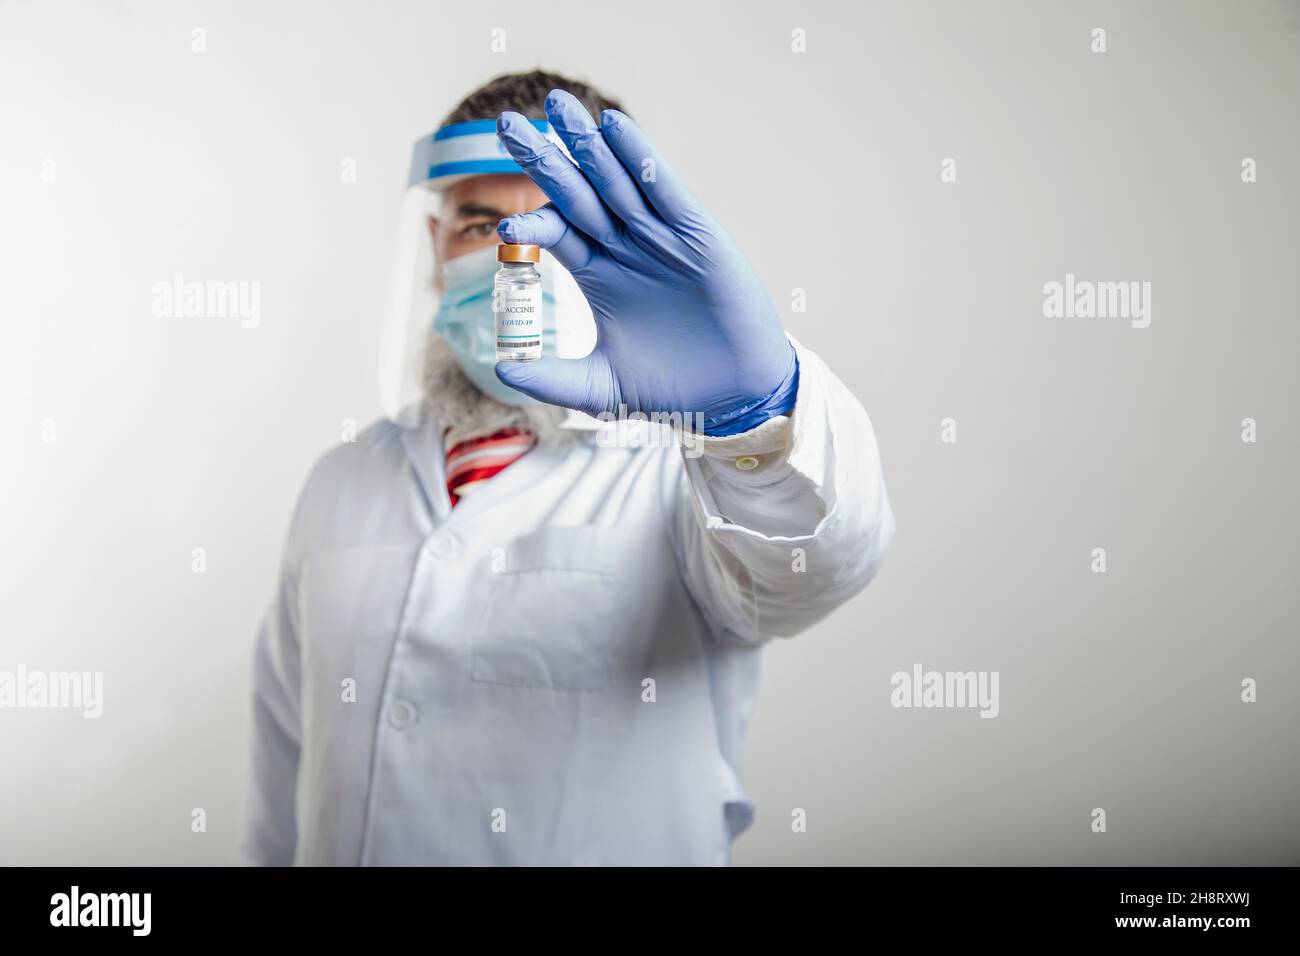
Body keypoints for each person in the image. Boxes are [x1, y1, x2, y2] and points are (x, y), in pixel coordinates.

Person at [240, 70, 895, 866]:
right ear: (435, 242)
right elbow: (282, 768)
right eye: (481, 225)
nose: (517, 259)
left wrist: (751, 415)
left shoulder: (687, 469)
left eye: (554, 228)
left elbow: (815, 561)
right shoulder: (342, 483)